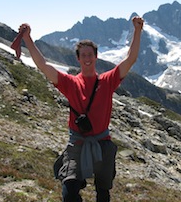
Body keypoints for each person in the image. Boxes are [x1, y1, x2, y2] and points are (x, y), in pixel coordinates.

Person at [18, 16, 144, 202]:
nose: (87, 58)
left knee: (103, 192)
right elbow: (43, 66)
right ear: (78, 58)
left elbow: (130, 59)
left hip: (102, 143)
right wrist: (27, 38)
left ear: (96, 57)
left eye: (90, 55)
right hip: (77, 144)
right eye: (83, 55)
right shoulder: (70, 83)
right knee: (69, 192)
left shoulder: (107, 81)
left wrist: (137, 31)